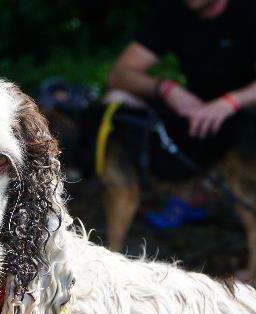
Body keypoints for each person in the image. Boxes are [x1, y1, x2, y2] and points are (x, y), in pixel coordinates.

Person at [107, 0, 256, 229]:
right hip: (198, 110)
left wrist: (230, 102)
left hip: (245, 106)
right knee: (117, 98)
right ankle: (183, 191)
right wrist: (166, 89)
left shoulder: (248, 10)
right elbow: (119, 74)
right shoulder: (173, 11)